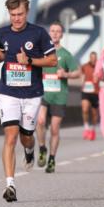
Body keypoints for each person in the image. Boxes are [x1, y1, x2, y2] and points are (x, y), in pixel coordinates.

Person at [0, 0, 57, 202]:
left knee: (25, 136)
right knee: (10, 136)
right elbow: (3, 51)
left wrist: (29, 60)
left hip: (32, 94)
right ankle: (10, 185)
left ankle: (30, 149)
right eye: (12, 15)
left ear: (26, 12)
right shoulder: (2, 33)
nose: (16, 19)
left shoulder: (38, 33)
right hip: (8, 92)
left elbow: (52, 60)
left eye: (19, 14)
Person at [36, 22, 80, 173]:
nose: (55, 33)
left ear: (61, 35)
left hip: (59, 96)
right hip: (43, 94)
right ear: (49, 33)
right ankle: (42, 148)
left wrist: (65, 74)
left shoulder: (66, 55)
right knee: (40, 121)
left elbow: (77, 72)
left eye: (58, 31)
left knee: (55, 129)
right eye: (52, 31)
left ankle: (52, 159)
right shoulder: (42, 52)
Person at [79, 51, 99, 140]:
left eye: (94, 58)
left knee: (94, 113)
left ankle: (93, 129)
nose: (93, 60)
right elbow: (81, 75)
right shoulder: (84, 66)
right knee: (85, 109)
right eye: (92, 58)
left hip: (95, 92)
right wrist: (82, 82)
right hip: (86, 91)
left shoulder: (99, 67)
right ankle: (86, 128)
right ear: (89, 58)